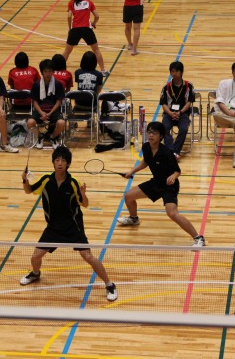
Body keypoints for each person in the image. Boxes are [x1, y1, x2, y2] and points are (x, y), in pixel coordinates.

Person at [20, 145, 118, 302]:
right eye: (57, 160)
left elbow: (85, 204)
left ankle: (109, 284)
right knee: (35, 257)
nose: (60, 163)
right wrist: (24, 180)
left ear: (68, 164)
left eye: (63, 160)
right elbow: (28, 190)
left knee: (88, 256)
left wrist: (83, 194)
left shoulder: (73, 183)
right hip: (53, 227)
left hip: (73, 227)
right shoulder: (46, 180)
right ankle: (36, 274)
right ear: (53, 162)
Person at [117, 121, 205, 247]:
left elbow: (177, 171)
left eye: (154, 133)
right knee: (128, 196)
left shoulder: (166, 152)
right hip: (156, 182)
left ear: (161, 136)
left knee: (172, 213)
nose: (151, 135)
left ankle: (198, 238)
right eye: (149, 132)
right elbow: (146, 161)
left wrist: (173, 177)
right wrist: (132, 171)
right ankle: (133, 218)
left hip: (169, 186)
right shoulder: (146, 147)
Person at [62, 0, 110, 77]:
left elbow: (69, 16)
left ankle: (59, 69)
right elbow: (97, 16)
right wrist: (94, 23)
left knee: (67, 51)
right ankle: (103, 70)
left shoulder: (71, 2)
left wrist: (70, 28)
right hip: (86, 29)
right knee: (96, 50)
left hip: (75, 29)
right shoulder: (89, 2)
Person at [27, 59, 66, 150]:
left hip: (53, 111)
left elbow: (58, 102)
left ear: (53, 72)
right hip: (40, 111)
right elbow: (34, 102)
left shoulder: (58, 84)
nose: (48, 74)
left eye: (50, 71)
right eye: (45, 71)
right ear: (42, 72)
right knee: (30, 123)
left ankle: (53, 137)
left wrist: (49, 113)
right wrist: (41, 113)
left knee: (61, 123)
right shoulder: (36, 85)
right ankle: (40, 137)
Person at [160, 61, 195, 161]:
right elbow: (163, 104)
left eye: (176, 71)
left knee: (183, 129)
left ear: (181, 72)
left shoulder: (188, 86)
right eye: (172, 71)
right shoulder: (166, 87)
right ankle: (172, 152)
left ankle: (175, 151)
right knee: (164, 128)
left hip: (183, 113)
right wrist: (170, 113)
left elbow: (189, 102)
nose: (174, 73)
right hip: (169, 113)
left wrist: (180, 112)